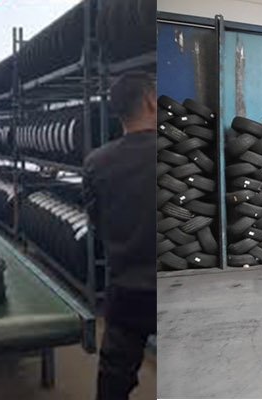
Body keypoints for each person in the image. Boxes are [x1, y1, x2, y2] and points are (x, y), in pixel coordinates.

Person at [84, 71, 157, 400]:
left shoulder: (97, 163)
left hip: (126, 292)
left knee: (114, 380)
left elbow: (98, 224)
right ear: (150, 101)